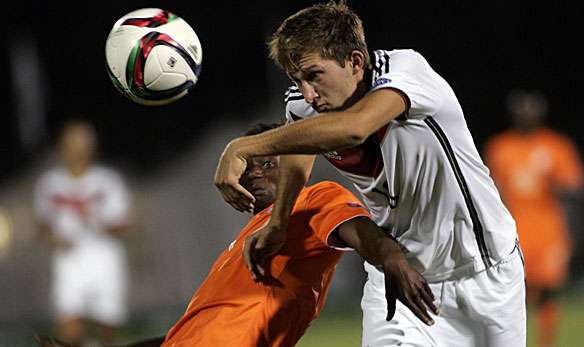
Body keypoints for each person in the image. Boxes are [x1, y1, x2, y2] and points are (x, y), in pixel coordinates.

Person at [214, 2, 526, 346]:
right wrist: (279, 222)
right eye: (296, 80)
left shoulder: (408, 71)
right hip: (399, 274)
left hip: (485, 273)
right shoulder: (302, 104)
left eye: (314, 75)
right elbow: (298, 152)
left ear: (355, 61)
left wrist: (244, 147)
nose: (307, 93)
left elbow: (355, 129)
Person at [36, 122, 433, 347]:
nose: (255, 172)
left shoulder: (314, 199)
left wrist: (392, 258)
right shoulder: (255, 228)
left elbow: (360, 231)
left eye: (268, 163)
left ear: (294, 165)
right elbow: (193, 331)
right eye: (249, 166)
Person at [485, 89, 583, 347]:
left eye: (531, 110)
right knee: (516, 292)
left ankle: (545, 342)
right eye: (521, 110)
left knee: (549, 290)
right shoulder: (500, 147)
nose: (526, 115)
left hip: (549, 229)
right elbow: (490, 190)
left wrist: (556, 185)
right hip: (515, 230)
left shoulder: (556, 147)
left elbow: (574, 189)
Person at [34, 120, 131, 346]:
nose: (78, 149)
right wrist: (52, 238)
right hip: (69, 260)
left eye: (83, 143)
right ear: (62, 146)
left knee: (107, 330)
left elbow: (124, 224)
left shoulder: (108, 180)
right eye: (73, 143)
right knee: (69, 329)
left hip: (104, 257)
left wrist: (95, 219)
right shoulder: (49, 184)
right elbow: (43, 225)